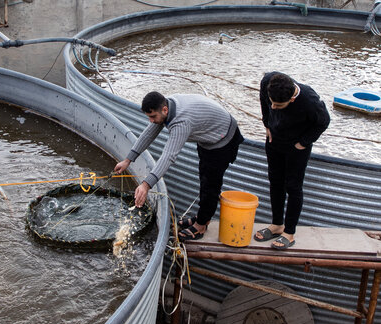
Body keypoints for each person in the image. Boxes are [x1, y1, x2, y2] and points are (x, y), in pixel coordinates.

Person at [114, 91, 244, 241]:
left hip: (224, 139)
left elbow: (168, 156)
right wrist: (128, 160)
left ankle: (201, 225)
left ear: (164, 110)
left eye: (153, 117)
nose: (151, 121)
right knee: (204, 177)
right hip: (208, 136)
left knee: (210, 183)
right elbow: (148, 134)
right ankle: (202, 216)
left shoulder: (181, 122)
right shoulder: (166, 105)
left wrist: (146, 185)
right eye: (148, 117)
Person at [254, 72, 330, 250]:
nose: (273, 106)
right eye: (272, 101)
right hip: (274, 139)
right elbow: (264, 102)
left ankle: (289, 232)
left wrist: (303, 143)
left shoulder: (309, 101)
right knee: (275, 182)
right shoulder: (268, 82)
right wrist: (267, 124)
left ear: (292, 99)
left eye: (278, 105)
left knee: (293, 186)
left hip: (296, 146)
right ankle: (277, 224)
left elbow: (323, 122)